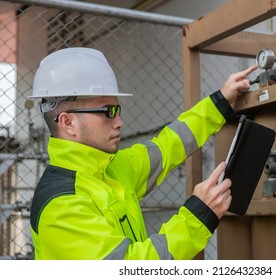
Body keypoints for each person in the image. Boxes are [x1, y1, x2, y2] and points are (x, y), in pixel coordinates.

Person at [29, 47, 258, 260]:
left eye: (117, 109)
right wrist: (199, 216)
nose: (119, 122)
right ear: (68, 123)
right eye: (108, 112)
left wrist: (219, 102)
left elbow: (169, 145)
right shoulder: (61, 206)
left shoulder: (111, 167)